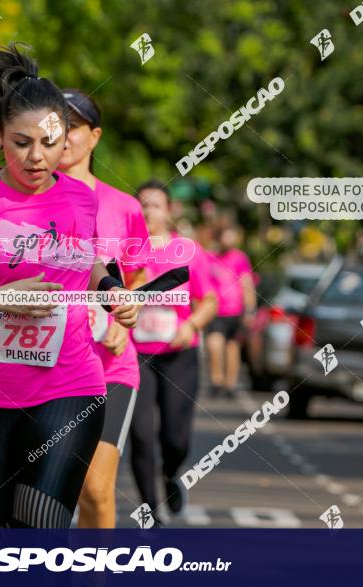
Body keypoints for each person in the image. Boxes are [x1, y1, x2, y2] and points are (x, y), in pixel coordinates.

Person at [0, 42, 138, 528]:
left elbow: (88, 261)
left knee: (41, 532)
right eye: (21, 142)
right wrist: (0, 298)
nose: (37, 157)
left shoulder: (80, 199)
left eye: (50, 142)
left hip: (69, 384)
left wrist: (110, 290)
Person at [57, 89, 149, 528]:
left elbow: (139, 273)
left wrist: (124, 321)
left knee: (95, 488)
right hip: (42, 362)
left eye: (72, 126)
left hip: (108, 364)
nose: (62, 136)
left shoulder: (124, 207)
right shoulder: (26, 202)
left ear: (94, 136)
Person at [129, 180, 218, 523]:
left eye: (155, 205)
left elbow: (208, 301)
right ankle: (149, 508)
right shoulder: (126, 251)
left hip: (179, 352)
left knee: (175, 437)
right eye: (143, 205)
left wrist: (191, 325)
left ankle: (170, 474)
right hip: (136, 354)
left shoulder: (187, 251)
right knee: (140, 434)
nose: (148, 211)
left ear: (169, 211)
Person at [206, 222, 255, 397]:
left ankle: (230, 384)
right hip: (215, 312)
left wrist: (250, 310)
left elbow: (247, 284)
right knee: (214, 343)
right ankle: (216, 379)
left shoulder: (239, 258)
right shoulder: (210, 257)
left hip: (236, 312)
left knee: (232, 347)